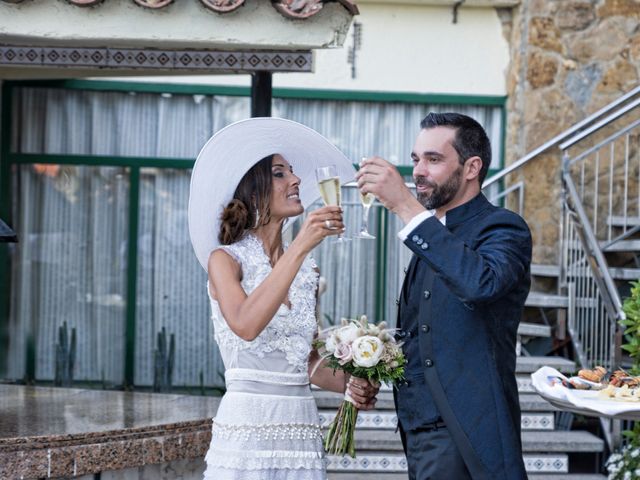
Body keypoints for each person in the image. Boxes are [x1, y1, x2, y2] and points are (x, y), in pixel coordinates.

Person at [188, 118, 379, 480]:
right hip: (247, 432)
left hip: (300, 431)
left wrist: (351, 382)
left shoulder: (308, 273)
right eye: (280, 173)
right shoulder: (225, 260)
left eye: (292, 172)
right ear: (252, 189)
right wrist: (302, 244)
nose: (295, 180)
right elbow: (245, 324)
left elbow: (304, 361)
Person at [356, 112, 532, 480]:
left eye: (433, 160)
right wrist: (372, 363)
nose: (418, 170)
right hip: (420, 430)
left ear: (472, 167)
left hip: (466, 431)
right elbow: (430, 331)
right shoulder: (432, 233)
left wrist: (405, 206)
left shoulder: (502, 227)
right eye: (416, 159)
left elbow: (480, 284)